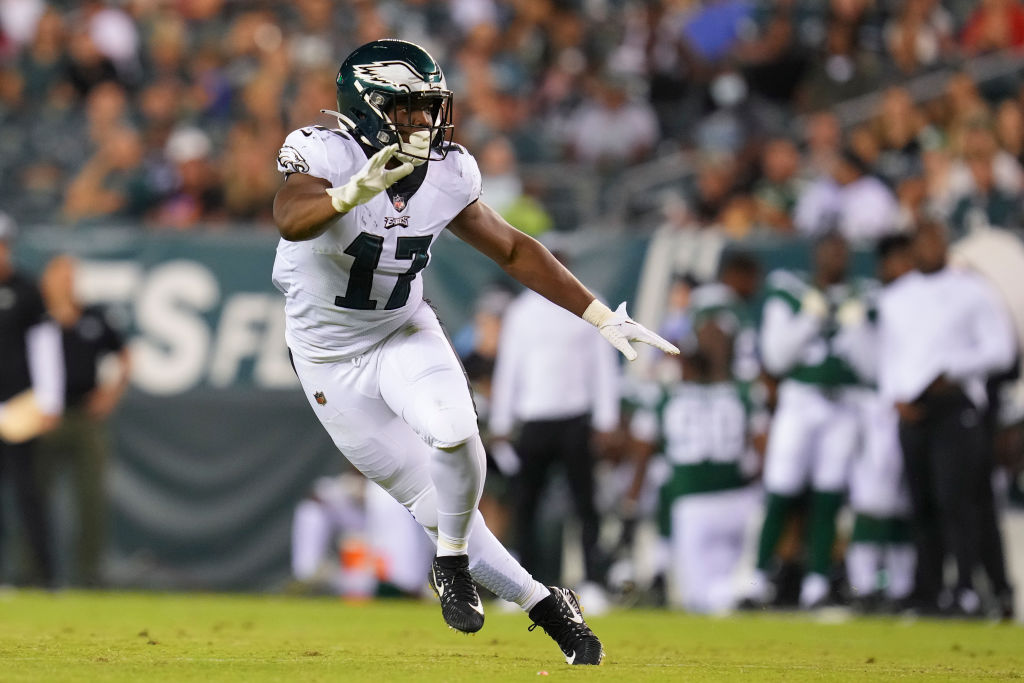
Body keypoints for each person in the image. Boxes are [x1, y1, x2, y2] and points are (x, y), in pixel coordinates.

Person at [270, 39, 678, 666]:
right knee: (432, 505)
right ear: (371, 106)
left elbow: (513, 249)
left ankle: (452, 561)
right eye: (409, 109)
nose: (425, 121)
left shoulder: (449, 170)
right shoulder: (324, 152)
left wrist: (597, 315)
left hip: (401, 330)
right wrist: (349, 194)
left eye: (430, 107)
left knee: (458, 434)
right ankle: (546, 604)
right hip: (328, 360)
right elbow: (292, 217)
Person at [878, 218, 1017, 616]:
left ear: (945, 243)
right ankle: (930, 589)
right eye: (921, 241)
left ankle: (968, 588)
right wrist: (895, 397)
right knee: (921, 505)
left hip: (955, 406)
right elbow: (890, 358)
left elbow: (1001, 350)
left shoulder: (973, 290)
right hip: (912, 411)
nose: (928, 248)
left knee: (957, 502)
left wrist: (952, 369)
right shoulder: (896, 296)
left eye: (935, 240)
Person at [487, 249, 620, 596]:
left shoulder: (589, 303)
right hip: (533, 420)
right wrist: (502, 420)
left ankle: (592, 580)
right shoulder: (521, 312)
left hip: (576, 418)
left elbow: (603, 366)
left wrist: (607, 419)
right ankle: (523, 586)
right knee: (526, 505)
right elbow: (509, 369)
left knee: (585, 504)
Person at [744, 231, 863, 609]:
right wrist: (813, 317)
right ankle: (758, 577)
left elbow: (871, 366)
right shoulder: (790, 293)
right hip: (799, 400)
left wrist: (853, 329)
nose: (835, 256)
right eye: (829, 248)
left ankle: (816, 584)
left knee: (830, 495)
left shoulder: (860, 297)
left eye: (841, 248)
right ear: (816, 253)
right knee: (781, 489)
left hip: (843, 403)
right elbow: (777, 358)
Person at [37, 254, 131, 587]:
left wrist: (108, 396)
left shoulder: (94, 317)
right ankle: (33, 574)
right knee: (32, 496)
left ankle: (89, 575)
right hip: (43, 418)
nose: (66, 282)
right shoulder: (34, 318)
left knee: (90, 499)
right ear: (46, 280)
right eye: (60, 275)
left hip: (84, 417)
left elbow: (125, 356)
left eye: (71, 276)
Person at [0, 211, 64, 587]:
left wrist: (50, 400)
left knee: (29, 494)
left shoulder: (26, 289)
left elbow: (45, 347)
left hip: (21, 405)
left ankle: (44, 577)